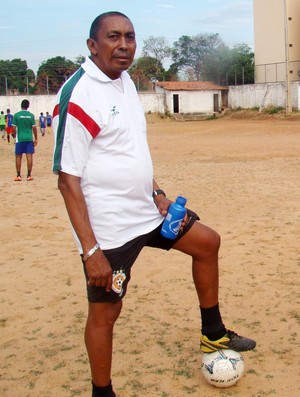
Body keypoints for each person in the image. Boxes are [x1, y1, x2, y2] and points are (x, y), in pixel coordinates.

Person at [52, 12, 256, 397]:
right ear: (92, 46)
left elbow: (130, 151)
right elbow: (67, 180)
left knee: (207, 242)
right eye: (113, 37)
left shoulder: (126, 81)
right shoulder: (80, 93)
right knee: (106, 311)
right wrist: (91, 250)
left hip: (147, 210)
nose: (124, 44)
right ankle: (102, 392)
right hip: (109, 228)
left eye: (130, 36)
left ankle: (213, 334)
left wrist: (157, 194)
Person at [12, 99, 38, 181]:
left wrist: (14, 136)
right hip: (29, 138)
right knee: (29, 156)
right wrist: (36, 138)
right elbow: (34, 128)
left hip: (20, 138)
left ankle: (18, 175)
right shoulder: (31, 115)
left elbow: (13, 127)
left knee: (18, 156)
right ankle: (29, 175)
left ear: (21, 105)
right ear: (28, 106)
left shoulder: (16, 115)